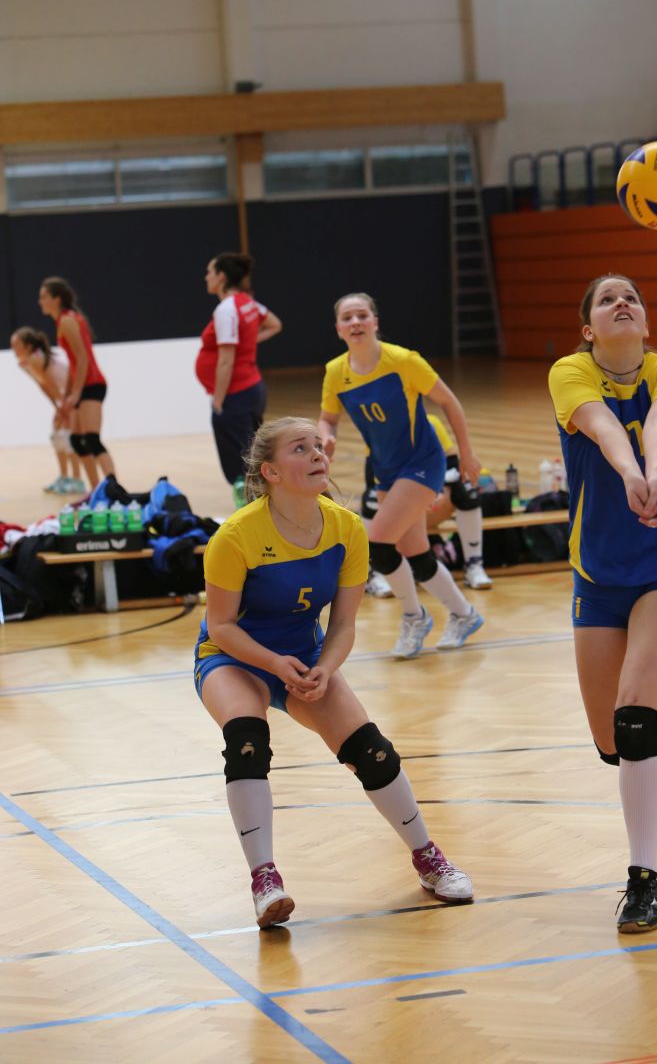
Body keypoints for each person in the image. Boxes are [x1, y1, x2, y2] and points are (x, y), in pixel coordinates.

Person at [194, 416, 472, 928]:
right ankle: (265, 880)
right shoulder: (235, 536)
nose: (318, 454)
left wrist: (324, 668)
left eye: (318, 446)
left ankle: (428, 857)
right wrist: (273, 663)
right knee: (247, 739)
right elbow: (222, 626)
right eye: (300, 449)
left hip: (306, 657)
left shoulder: (347, 528)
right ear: (271, 471)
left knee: (371, 749)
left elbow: (343, 624)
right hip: (235, 657)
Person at [548, 274, 657, 934]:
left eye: (631, 298)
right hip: (598, 576)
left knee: (636, 719)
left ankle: (644, 881)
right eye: (607, 299)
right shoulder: (570, 372)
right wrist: (631, 472)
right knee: (613, 745)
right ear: (588, 328)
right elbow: (604, 427)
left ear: (644, 322)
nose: (622, 302)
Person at [318, 293, 485, 658]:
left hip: (422, 461)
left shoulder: (403, 361)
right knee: (415, 551)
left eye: (362, 315)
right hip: (386, 469)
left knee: (377, 544)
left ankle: (414, 616)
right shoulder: (335, 372)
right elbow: (328, 418)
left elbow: (449, 401)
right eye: (347, 318)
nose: (355, 322)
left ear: (375, 322)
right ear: (338, 329)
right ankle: (464, 614)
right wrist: (325, 436)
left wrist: (467, 453)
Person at [363, 413, 492, 595]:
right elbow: (373, 479)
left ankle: (474, 564)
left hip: (435, 504)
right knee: (371, 499)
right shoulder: (378, 428)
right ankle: (376, 573)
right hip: (400, 508)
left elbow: (453, 468)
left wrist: (436, 490)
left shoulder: (431, 423)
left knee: (467, 492)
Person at [195, 252, 282, 505]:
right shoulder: (248, 303)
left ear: (221, 277)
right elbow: (275, 324)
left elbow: (226, 361)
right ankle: (263, 508)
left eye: (209, 272)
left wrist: (218, 401)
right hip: (252, 390)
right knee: (253, 454)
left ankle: (256, 511)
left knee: (243, 465)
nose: (206, 277)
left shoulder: (226, 310)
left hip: (236, 395)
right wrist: (248, 342)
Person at [38, 277, 115, 490]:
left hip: (93, 385)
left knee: (91, 440)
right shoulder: (63, 321)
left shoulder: (67, 321)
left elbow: (83, 359)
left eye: (44, 297)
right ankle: (96, 491)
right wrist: (66, 398)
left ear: (56, 299)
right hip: (84, 386)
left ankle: (115, 490)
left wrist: (76, 393)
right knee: (77, 441)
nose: (40, 301)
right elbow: (74, 364)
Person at [10, 327, 86, 495]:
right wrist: (57, 407)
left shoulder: (36, 359)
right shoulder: (24, 364)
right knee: (57, 436)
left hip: (73, 394)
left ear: (29, 346)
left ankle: (77, 480)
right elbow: (43, 385)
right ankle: (64, 478)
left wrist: (63, 407)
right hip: (63, 398)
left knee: (68, 437)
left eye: (16, 345)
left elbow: (50, 383)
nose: (12, 348)